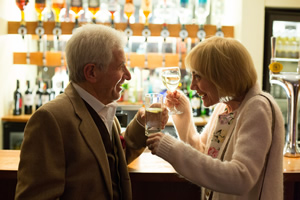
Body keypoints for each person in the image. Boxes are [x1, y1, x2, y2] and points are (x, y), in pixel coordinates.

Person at [15, 24, 168, 200]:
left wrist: (142, 122)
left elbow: (112, 163)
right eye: (121, 66)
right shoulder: (49, 119)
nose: (128, 75)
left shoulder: (102, 109)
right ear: (91, 72)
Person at [146, 36, 284, 200]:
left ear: (222, 76)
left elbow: (240, 178)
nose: (192, 86)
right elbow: (204, 154)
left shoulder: (257, 108)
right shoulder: (225, 106)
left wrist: (172, 148)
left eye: (198, 76)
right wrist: (183, 114)